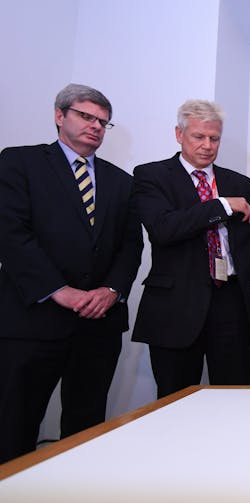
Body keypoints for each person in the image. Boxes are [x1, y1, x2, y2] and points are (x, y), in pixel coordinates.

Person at [0, 83, 143, 462]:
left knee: (86, 427)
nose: (95, 126)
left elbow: (131, 246)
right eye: (86, 116)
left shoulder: (122, 182)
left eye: (103, 122)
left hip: (98, 324)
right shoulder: (19, 162)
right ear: (59, 115)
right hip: (33, 321)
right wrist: (58, 290)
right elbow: (11, 234)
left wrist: (112, 290)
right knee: (15, 425)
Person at [132, 99, 250, 398]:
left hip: (233, 303)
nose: (208, 145)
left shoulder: (240, 183)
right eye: (199, 136)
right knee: (175, 401)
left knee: (237, 398)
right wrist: (221, 205)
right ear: (179, 134)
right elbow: (164, 228)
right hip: (176, 305)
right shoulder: (151, 176)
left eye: (215, 138)